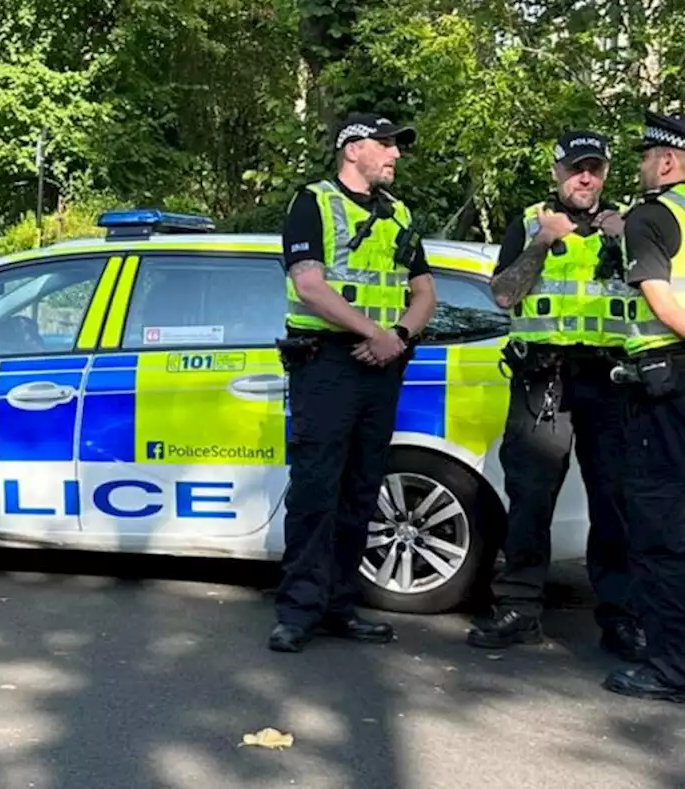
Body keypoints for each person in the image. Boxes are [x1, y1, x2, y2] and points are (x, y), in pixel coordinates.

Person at [466, 131, 643, 660]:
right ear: (557, 171)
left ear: (607, 174)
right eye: (575, 168)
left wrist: (626, 241)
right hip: (542, 380)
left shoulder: (633, 225)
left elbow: (656, 295)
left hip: (611, 380)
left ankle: (621, 619)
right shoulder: (528, 222)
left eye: (594, 169)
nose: (584, 178)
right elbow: (502, 294)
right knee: (530, 501)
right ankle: (519, 608)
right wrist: (543, 240)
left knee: (615, 504)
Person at [270, 113, 438, 653]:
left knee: (361, 491)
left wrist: (398, 336)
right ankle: (298, 611)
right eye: (386, 145)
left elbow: (425, 293)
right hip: (328, 363)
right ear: (352, 149)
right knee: (317, 489)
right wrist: (376, 333)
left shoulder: (400, 213)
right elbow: (309, 286)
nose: (395, 155)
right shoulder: (312, 202)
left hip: (383, 362)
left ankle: (341, 605)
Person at [603, 110, 685, 703]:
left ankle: (669, 669)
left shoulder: (653, 216)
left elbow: (662, 302)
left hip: (666, 386)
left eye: (645, 156)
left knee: (660, 530)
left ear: (668, 160)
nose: (641, 165)